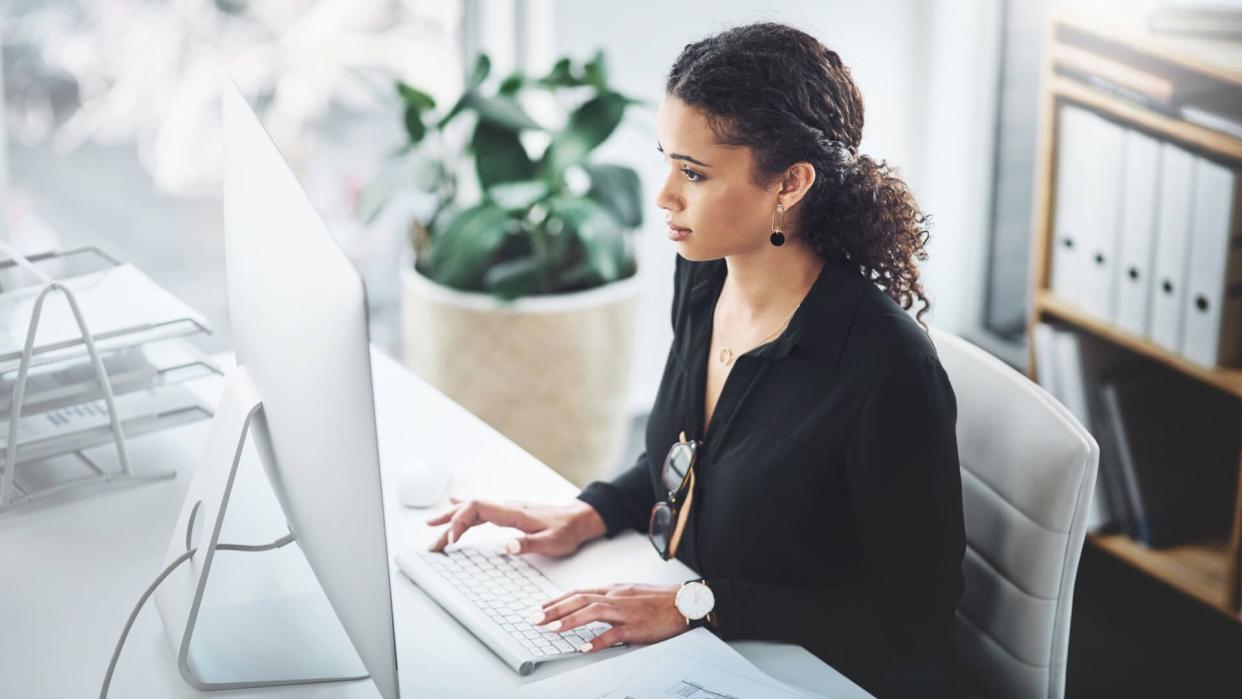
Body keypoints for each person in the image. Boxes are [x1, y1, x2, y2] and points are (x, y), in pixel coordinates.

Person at [426, 21, 965, 698]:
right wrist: (590, 512)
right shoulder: (707, 276)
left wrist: (694, 605)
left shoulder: (885, 369)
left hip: (815, 674)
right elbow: (690, 455)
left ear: (790, 183)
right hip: (708, 649)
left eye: (693, 173)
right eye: (668, 160)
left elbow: (913, 620)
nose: (664, 196)